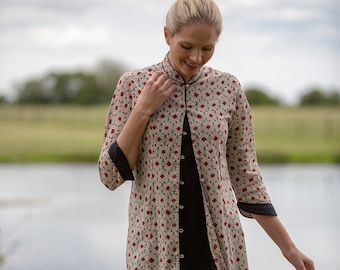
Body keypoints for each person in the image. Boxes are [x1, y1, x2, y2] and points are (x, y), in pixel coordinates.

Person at [98, 0, 315, 269]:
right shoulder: (133, 85)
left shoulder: (228, 88)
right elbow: (109, 175)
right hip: (155, 248)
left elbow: (246, 175)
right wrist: (142, 110)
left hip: (219, 247)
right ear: (167, 35)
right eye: (187, 46)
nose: (196, 58)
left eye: (207, 48)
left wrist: (289, 248)